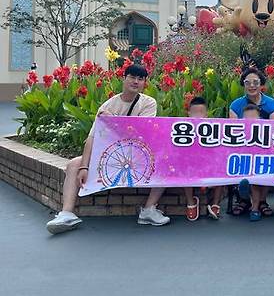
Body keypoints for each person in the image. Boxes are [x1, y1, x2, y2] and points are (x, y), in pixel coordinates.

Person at [46, 64, 168, 234]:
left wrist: (113, 121)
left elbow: (140, 132)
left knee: (165, 162)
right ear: (123, 78)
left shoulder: (148, 103)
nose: (136, 81)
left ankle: (148, 210)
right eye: (132, 77)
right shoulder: (108, 105)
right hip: (110, 157)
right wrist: (84, 167)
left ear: (144, 83)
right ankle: (66, 214)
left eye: (140, 79)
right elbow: (92, 138)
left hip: (138, 156)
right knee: (73, 164)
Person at [229, 68, 274, 221]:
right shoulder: (235, 104)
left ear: (261, 84)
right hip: (242, 148)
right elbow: (232, 130)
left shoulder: (271, 103)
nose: (252, 85)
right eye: (248, 82)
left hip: (265, 148)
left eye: (255, 82)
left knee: (264, 163)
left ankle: (260, 202)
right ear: (243, 85)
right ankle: (246, 200)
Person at [183, 97, 225, 221]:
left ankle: (215, 204)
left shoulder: (214, 129)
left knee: (222, 170)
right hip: (191, 165)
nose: (198, 116)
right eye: (195, 113)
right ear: (189, 113)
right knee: (185, 169)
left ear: (206, 114)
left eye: (201, 113)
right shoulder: (182, 128)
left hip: (209, 165)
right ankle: (191, 202)